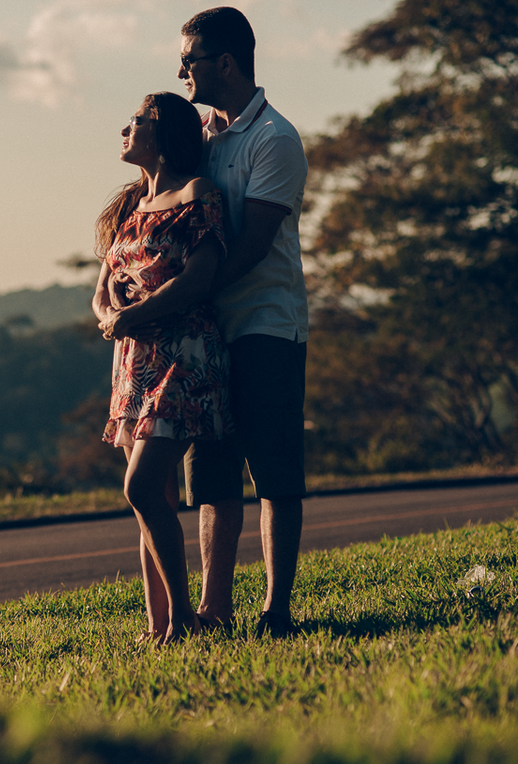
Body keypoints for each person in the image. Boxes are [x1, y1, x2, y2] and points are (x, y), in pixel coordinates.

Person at [177, 7, 309, 637]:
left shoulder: (275, 138)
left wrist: (181, 296)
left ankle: (276, 609)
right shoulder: (203, 137)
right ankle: (213, 608)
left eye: (190, 60)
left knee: (274, 473)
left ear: (224, 63)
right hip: (210, 331)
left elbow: (254, 245)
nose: (181, 70)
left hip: (265, 322)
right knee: (213, 472)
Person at [92, 91, 231, 645]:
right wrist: (112, 321)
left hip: (183, 357)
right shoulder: (129, 209)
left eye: (136, 121)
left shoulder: (198, 195)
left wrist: (139, 314)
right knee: (154, 503)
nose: (125, 129)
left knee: (142, 487)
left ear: (163, 132)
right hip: (133, 364)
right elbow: (102, 292)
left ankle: (183, 620)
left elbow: (201, 277)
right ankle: (158, 626)